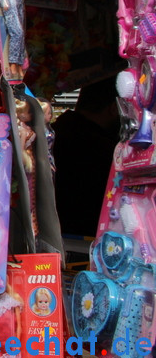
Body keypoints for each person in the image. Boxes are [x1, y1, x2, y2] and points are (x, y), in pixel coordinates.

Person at [52, 78, 120, 238]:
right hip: (85, 240)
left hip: (56, 238)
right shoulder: (103, 149)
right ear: (113, 109)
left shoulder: (56, 133)